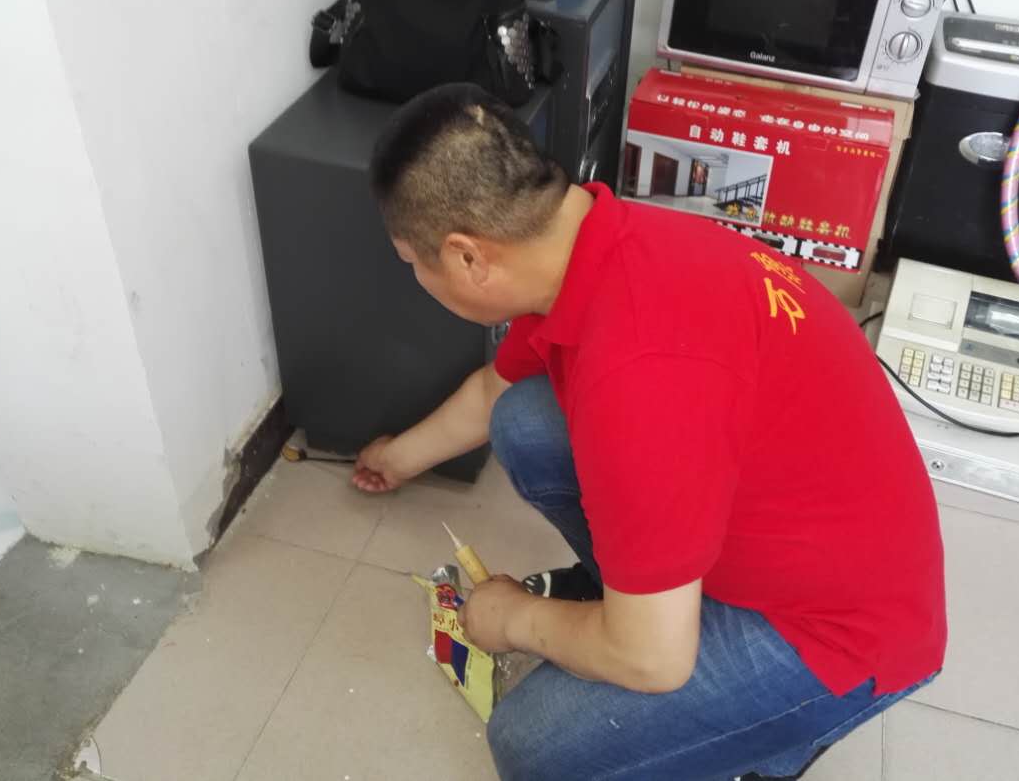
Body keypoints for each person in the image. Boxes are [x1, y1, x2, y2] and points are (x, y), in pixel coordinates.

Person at [352, 83, 946, 781]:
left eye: (413, 262)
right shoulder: (597, 241)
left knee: (532, 745)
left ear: (467, 258)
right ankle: (647, 598)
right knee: (526, 419)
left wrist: (513, 618)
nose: (416, 277)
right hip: (787, 526)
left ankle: (771, 741)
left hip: (839, 635)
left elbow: (653, 660)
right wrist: (399, 458)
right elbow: (493, 393)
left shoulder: (637, 378)